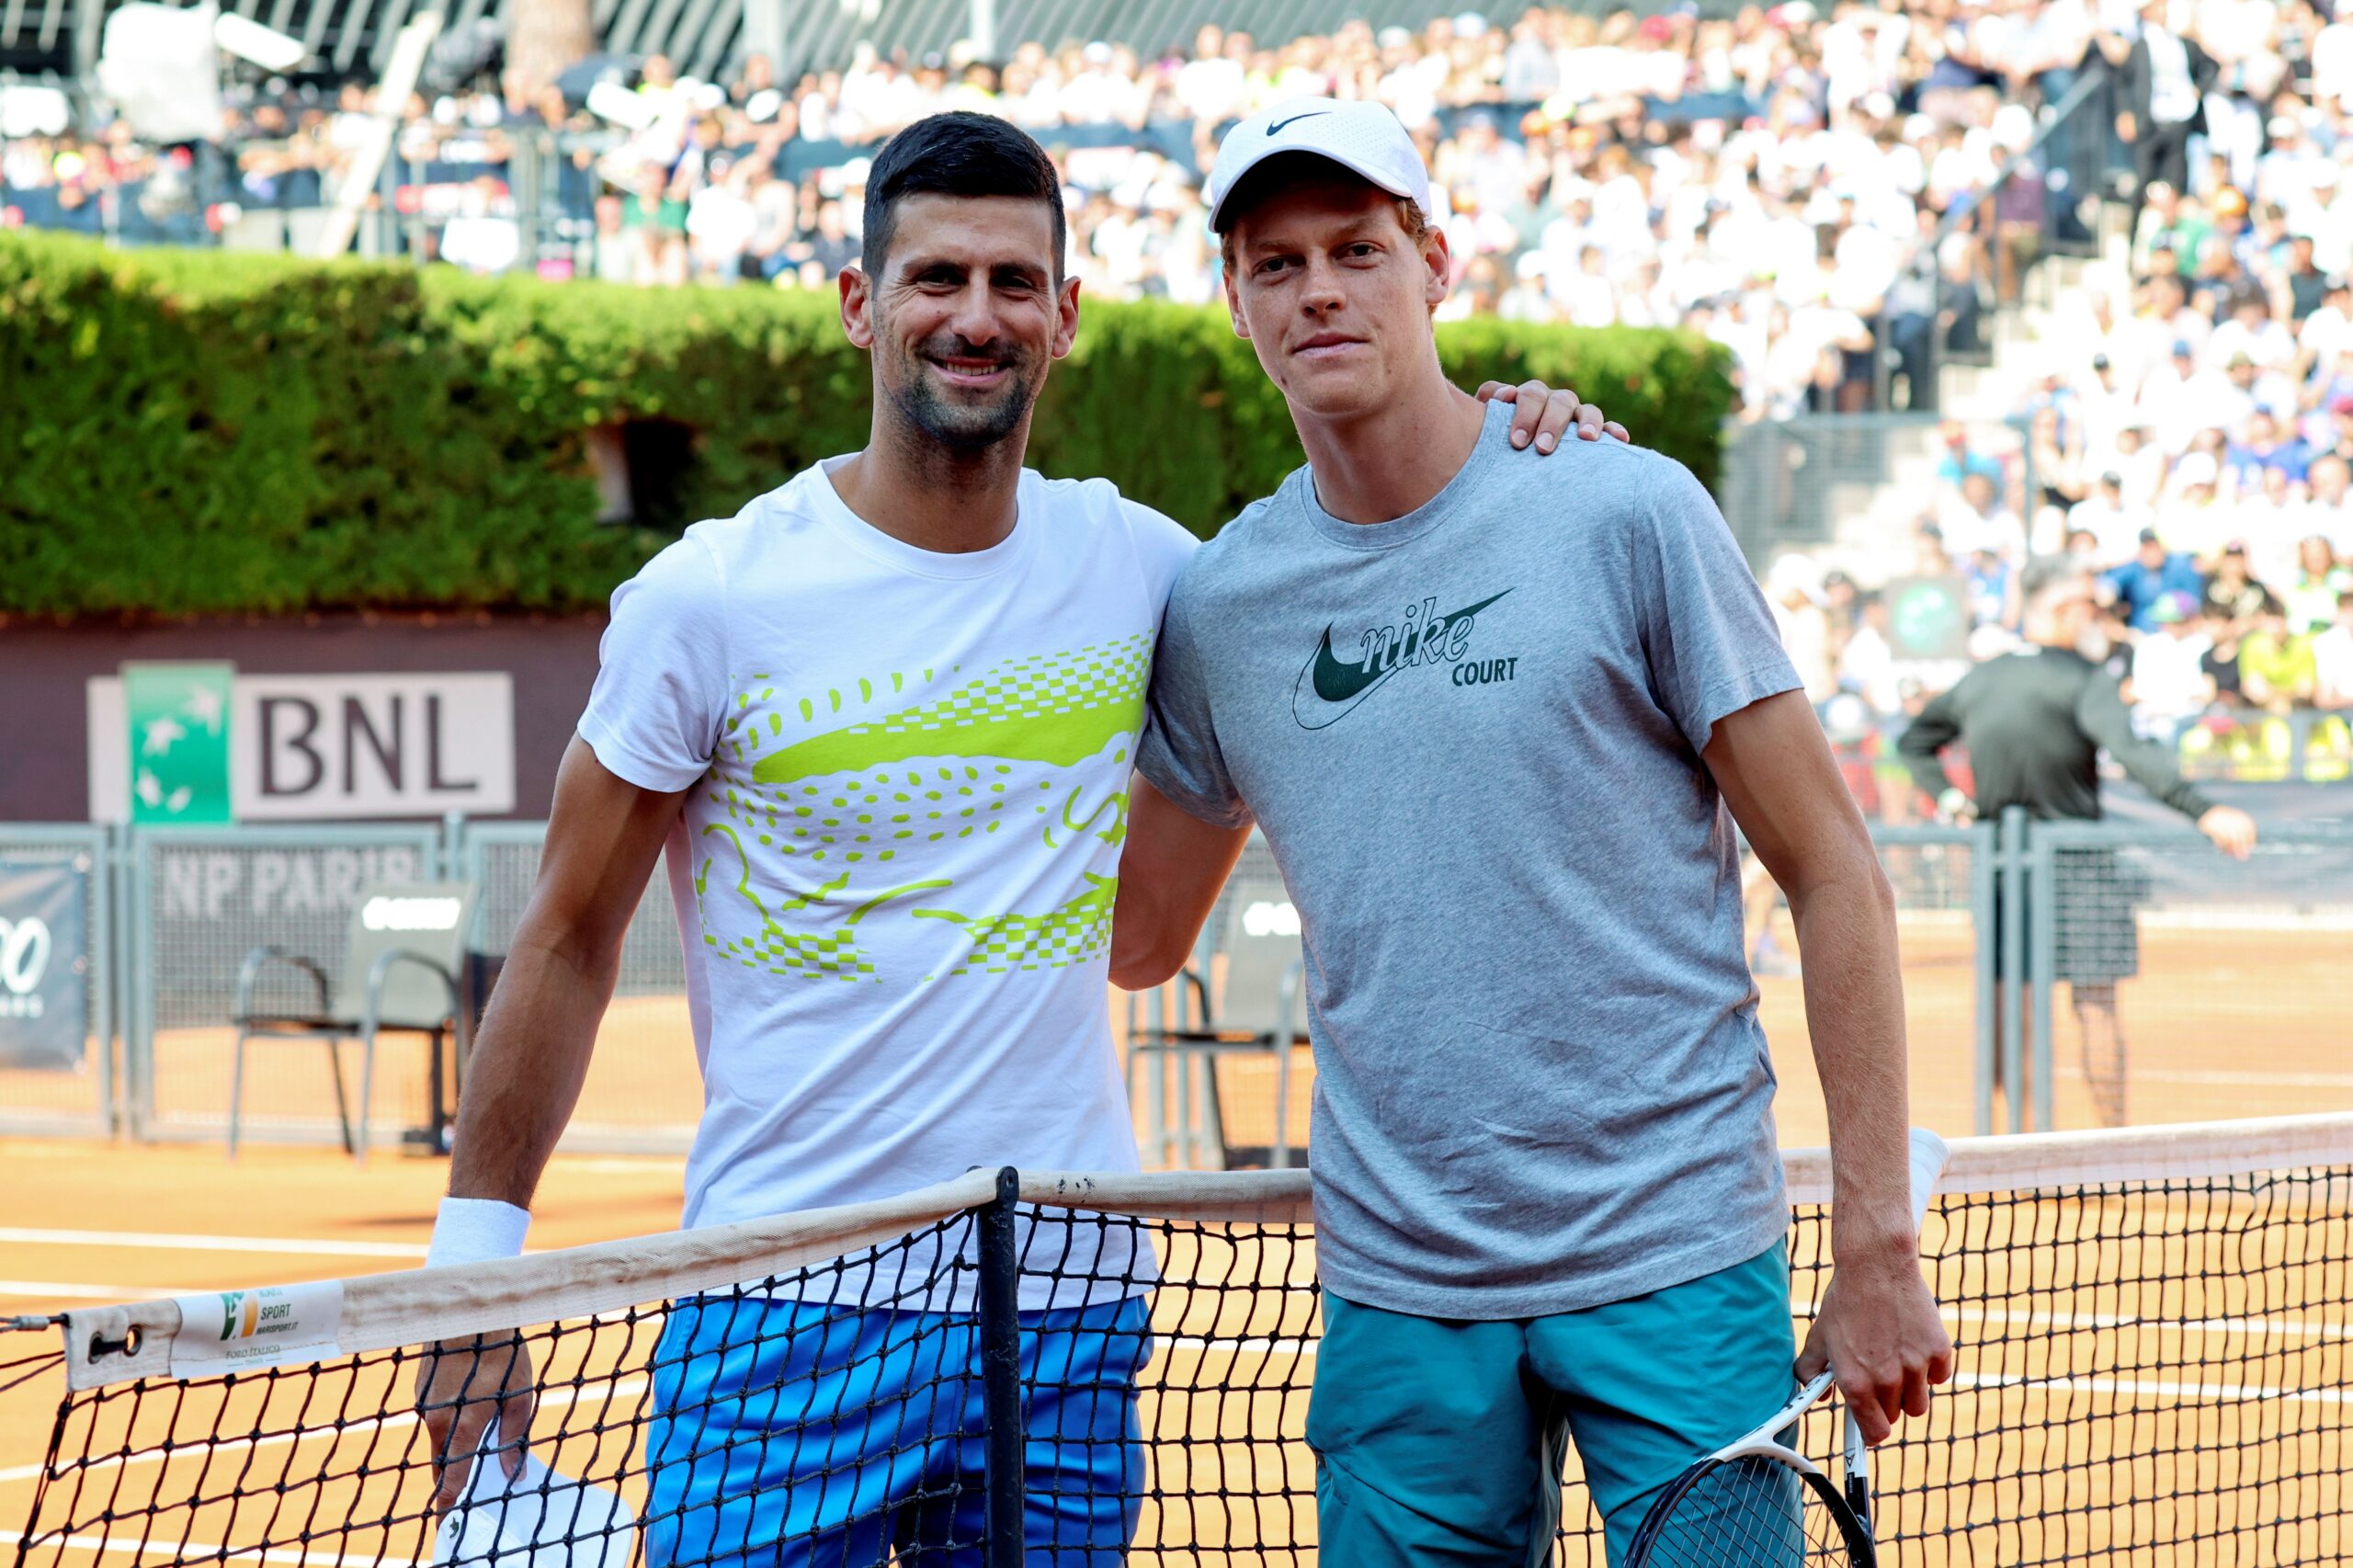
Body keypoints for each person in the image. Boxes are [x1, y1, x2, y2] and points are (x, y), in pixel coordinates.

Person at [408, 109, 1618, 1551]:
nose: (974, 317)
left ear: (1066, 317)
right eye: (935, 279)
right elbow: (564, 935)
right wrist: (474, 1275)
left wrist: (1532, 442)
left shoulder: (1160, 576)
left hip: (1058, 1301)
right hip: (781, 1300)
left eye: (1012, 283)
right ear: (862, 305)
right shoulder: (708, 598)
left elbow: (1387, 559)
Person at [1108, 97, 1952, 1566]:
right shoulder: (1222, 605)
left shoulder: (1624, 508)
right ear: (1233, 298)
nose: (1320, 288)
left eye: (1359, 248)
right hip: (1401, 1293)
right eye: (1277, 260)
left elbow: (1833, 869)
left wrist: (1878, 1239)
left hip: (1676, 1259)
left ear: (1435, 260)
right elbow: (1135, 938)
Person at [1899, 558, 2257, 1129]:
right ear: (2063, 610)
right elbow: (2134, 752)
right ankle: (2110, 1147)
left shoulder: (1982, 678)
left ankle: (2015, 1150)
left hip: (2002, 869)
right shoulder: (2085, 678)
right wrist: (2203, 809)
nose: (2096, 619)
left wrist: (1953, 802)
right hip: (2079, 867)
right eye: (2089, 608)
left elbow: (1915, 742)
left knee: (2007, 1005)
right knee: (2095, 1005)